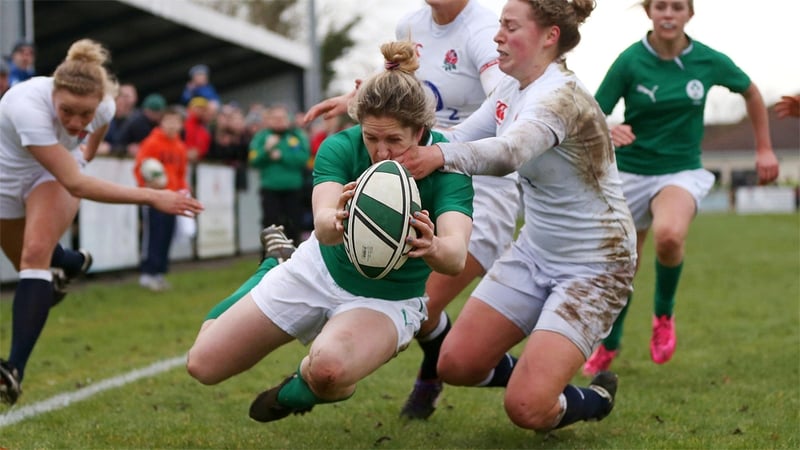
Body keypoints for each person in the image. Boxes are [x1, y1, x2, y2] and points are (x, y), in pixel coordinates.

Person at [185, 40, 475, 424]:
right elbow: (323, 224)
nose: (381, 152)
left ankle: (297, 389)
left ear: (421, 132)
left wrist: (432, 244)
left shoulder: (449, 165)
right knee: (203, 365)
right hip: (319, 268)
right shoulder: (340, 146)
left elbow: (455, 258)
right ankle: (272, 268)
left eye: (394, 140)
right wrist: (337, 216)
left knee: (328, 371)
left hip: (387, 299)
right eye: (372, 138)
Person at [395, 0, 636, 432]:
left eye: (510, 27)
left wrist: (434, 155)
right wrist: (392, 137)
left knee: (525, 409)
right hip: (534, 252)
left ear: (549, 37)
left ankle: (591, 399)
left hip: (595, 266)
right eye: (500, 25)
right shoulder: (510, 87)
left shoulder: (561, 96)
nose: (497, 36)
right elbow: (455, 137)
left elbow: (509, 152)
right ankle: (537, 378)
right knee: (456, 364)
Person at [304, 0, 521, 420]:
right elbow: (398, 89)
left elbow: (505, 98)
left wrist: (443, 148)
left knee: (418, 298)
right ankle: (439, 372)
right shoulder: (410, 24)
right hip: (408, 169)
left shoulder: (481, 30)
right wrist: (355, 98)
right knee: (417, 306)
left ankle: (436, 376)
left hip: (476, 179)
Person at [582, 0, 780, 377]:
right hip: (631, 172)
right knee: (625, 266)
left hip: (681, 171)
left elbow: (751, 92)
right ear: (648, 13)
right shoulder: (630, 61)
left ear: (690, 14)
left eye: (677, 7)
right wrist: (606, 128)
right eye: (660, 6)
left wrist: (765, 148)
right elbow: (593, 110)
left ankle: (663, 314)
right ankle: (609, 343)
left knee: (670, 236)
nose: (668, 14)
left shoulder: (706, 60)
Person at [0, 39, 203, 406]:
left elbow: (77, 168)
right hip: (6, 179)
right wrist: (155, 195)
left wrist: (83, 156)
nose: (77, 122)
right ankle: (72, 262)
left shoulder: (105, 105)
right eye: (67, 112)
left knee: (33, 256)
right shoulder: (26, 104)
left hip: (52, 177)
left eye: (85, 114)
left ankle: (12, 371)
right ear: (53, 94)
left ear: (98, 102)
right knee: (28, 263)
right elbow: (79, 183)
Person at [133, 107, 191, 291]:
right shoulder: (152, 143)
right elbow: (140, 167)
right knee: (154, 235)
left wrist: (184, 192)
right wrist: (148, 185)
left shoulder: (180, 147)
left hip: (173, 198)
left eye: (176, 121)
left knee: (167, 235)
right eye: (169, 120)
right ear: (162, 122)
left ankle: (159, 273)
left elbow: (181, 174)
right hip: (155, 198)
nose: (173, 125)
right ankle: (147, 273)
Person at [249, 104, 311, 244]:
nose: (279, 121)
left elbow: (303, 158)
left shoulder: (296, 136)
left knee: (294, 224)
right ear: (269, 120)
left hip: (293, 188)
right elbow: (253, 159)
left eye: (282, 117)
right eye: (275, 118)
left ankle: (295, 257)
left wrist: (281, 156)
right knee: (270, 224)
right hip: (270, 188)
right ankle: (269, 257)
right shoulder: (262, 137)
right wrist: (266, 150)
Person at [116, 93, 167, 157]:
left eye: (157, 112)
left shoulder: (164, 123)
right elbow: (117, 143)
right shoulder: (135, 122)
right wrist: (127, 148)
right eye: (152, 111)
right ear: (145, 110)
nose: (155, 115)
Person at [97, 82, 138, 155]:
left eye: (122, 104)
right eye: (117, 102)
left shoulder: (135, 120)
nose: (120, 106)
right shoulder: (105, 119)